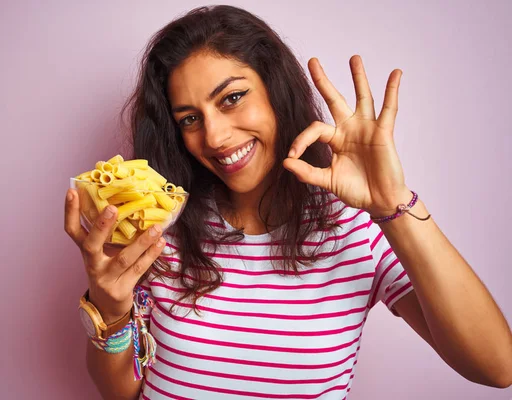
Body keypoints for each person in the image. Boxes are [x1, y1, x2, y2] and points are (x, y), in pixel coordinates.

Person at [64, 5, 512, 399]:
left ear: (276, 91)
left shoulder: (359, 229)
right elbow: (119, 393)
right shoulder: (160, 230)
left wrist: (392, 203)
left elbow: (496, 367)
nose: (215, 137)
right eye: (190, 119)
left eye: (233, 98)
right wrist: (110, 309)